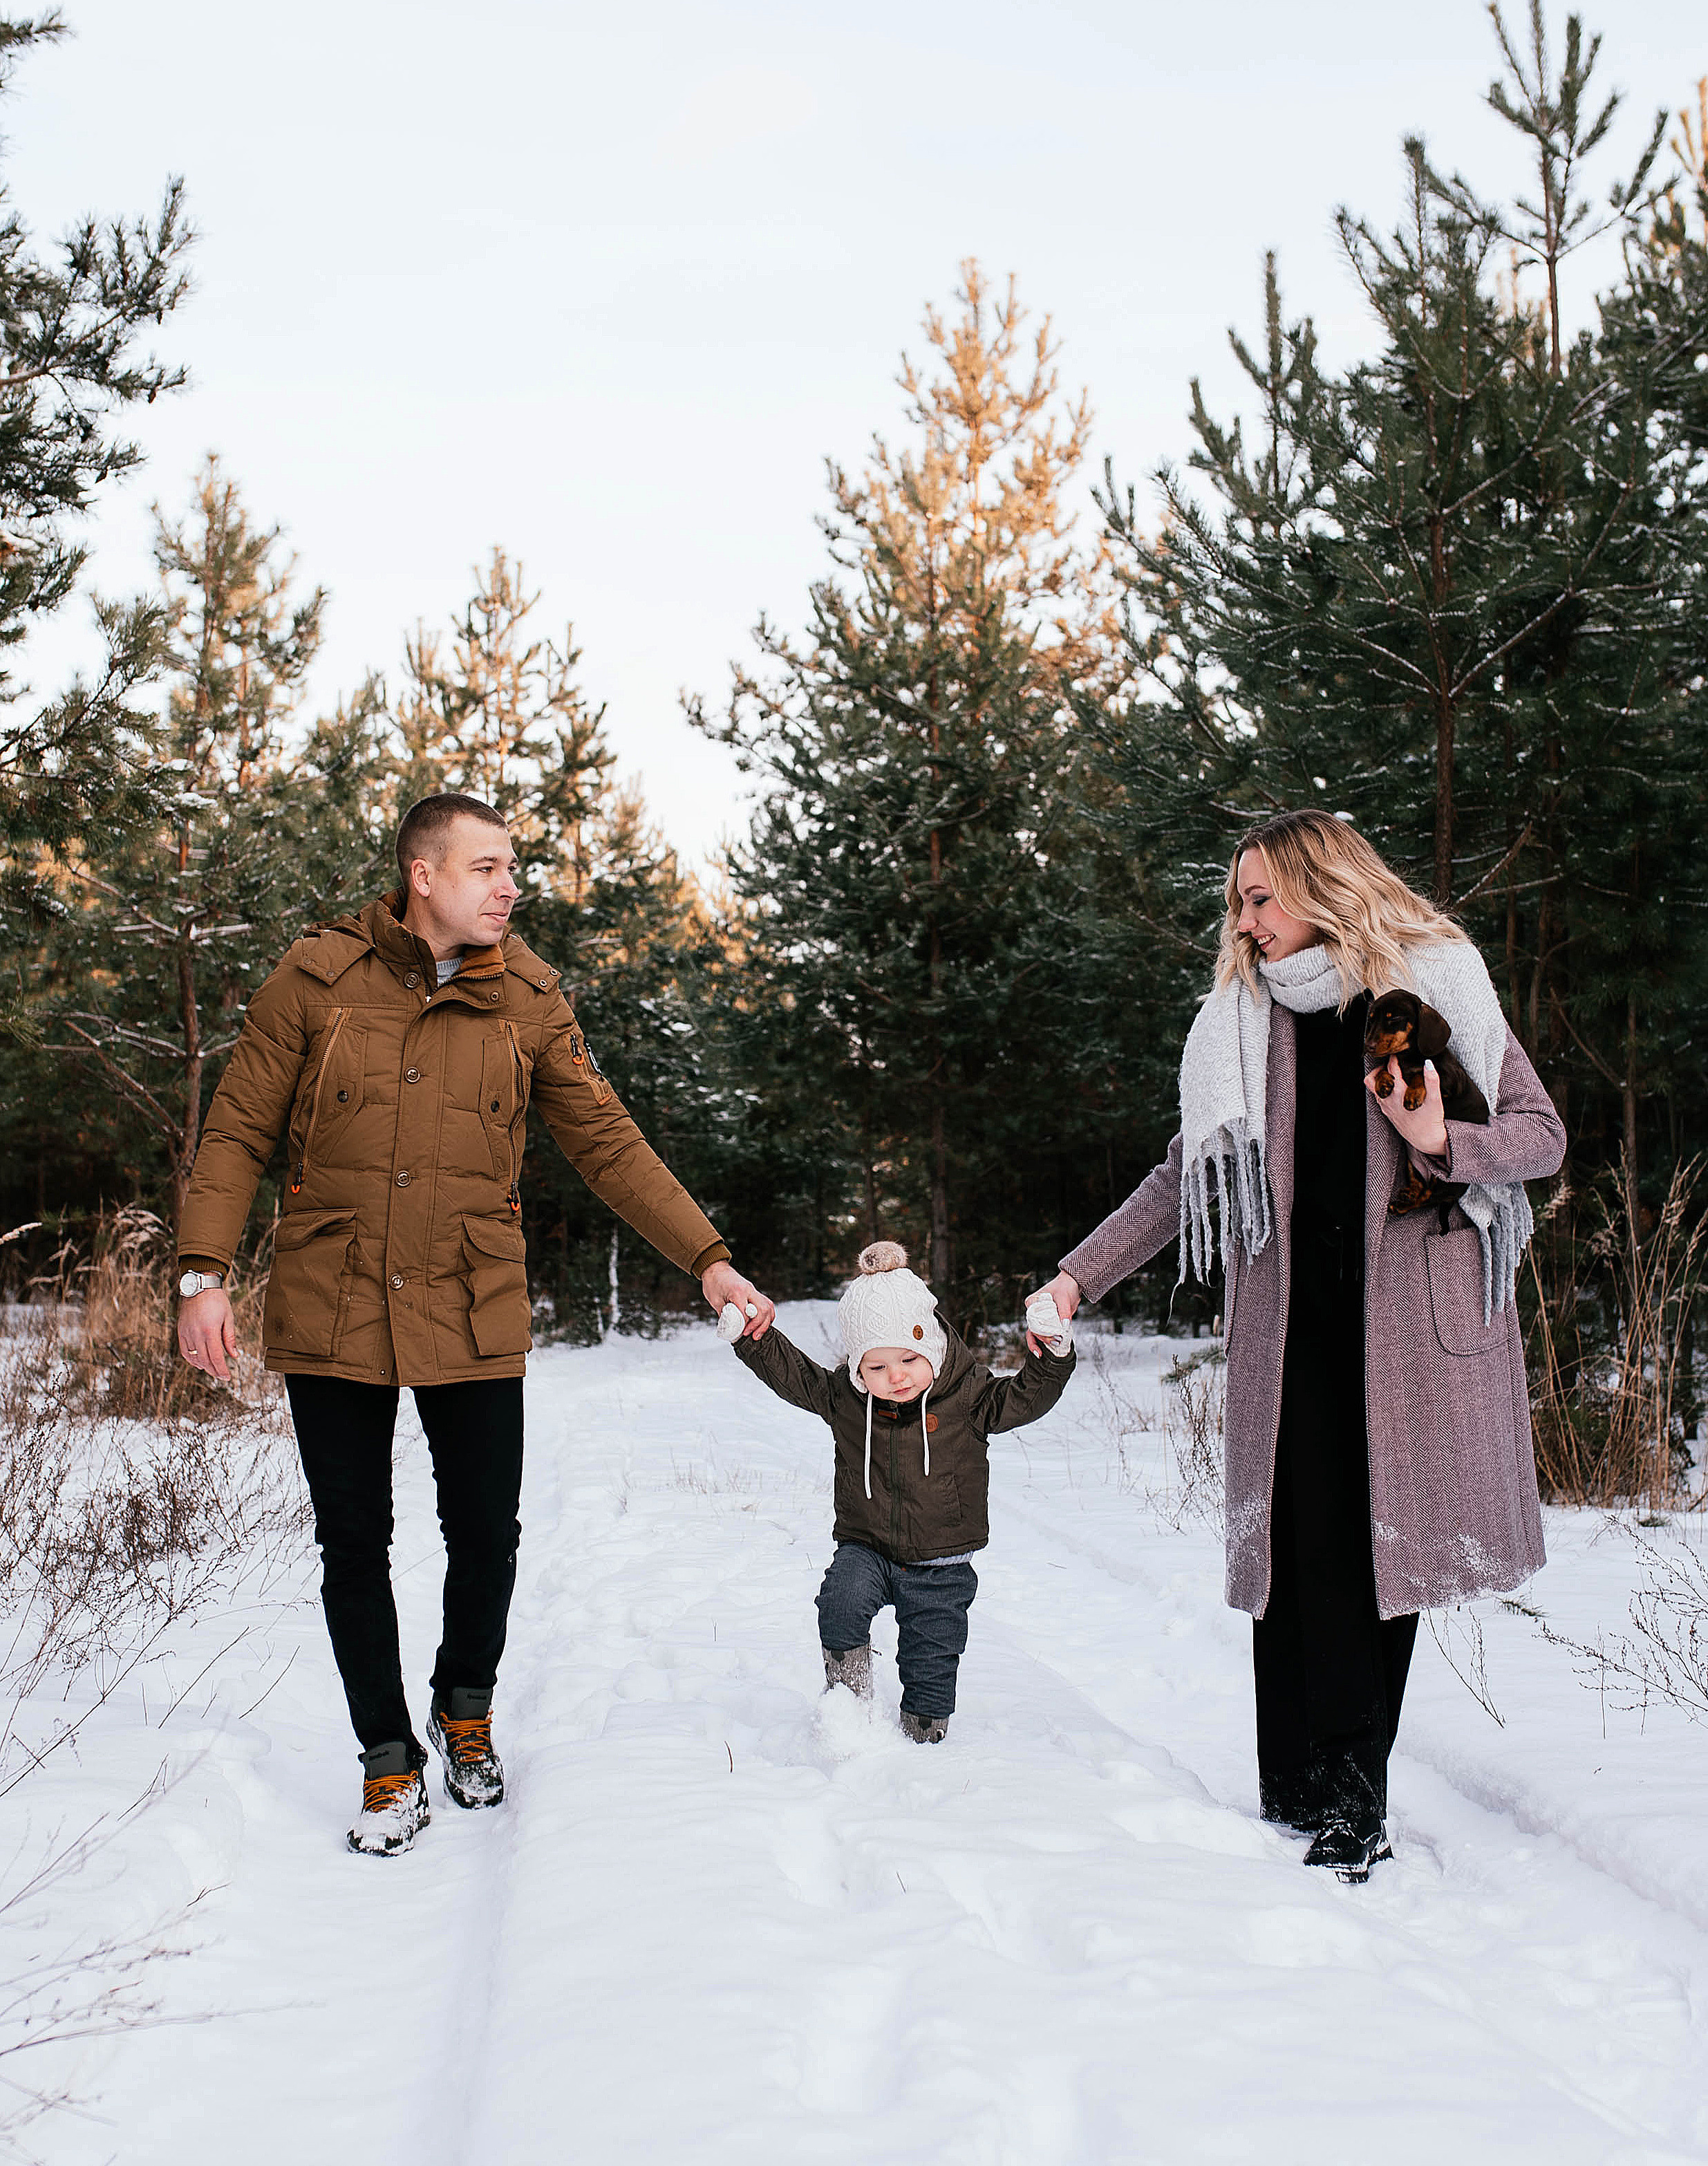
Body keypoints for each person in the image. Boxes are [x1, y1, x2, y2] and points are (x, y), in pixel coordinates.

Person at [175, 792, 774, 1857]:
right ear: (423, 873)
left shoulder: (530, 999)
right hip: (336, 1291)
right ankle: (384, 1759)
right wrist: (201, 1272)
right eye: (489, 867)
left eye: (513, 869)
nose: (510, 887)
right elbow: (235, 1130)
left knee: (485, 1532)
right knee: (353, 1540)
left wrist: (708, 1257)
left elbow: (609, 1143)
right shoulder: (312, 979)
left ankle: (466, 1709)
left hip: (470, 1294)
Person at [1028, 809, 1565, 1881]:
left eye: (1259, 896)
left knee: (1378, 1562)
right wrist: (1076, 1273)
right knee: (1297, 1552)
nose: (1242, 918)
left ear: (1323, 888)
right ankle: (1295, 1787)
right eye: (1235, 898)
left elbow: (1537, 1133)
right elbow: (1185, 1176)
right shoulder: (1240, 1023)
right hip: (1291, 1327)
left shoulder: (1434, 983)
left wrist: (1438, 1140)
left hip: (1409, 1328)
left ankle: (1352, 1803)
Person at [729, 1241, 1075, 1740]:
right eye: (876, 1366)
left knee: (932, 1663)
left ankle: (924, 1735)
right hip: (865, 1548)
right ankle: (847, 1710)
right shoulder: (846, 1399)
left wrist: (1052, 1357)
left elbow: (1026, 1397)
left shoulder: (970, 1397)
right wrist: (750, 1338)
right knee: (839, 1604)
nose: (895, 1376)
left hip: (941, 1563)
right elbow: (793, 1374)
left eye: (908, 1359)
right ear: (857, 1367)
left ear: (931, 1346)